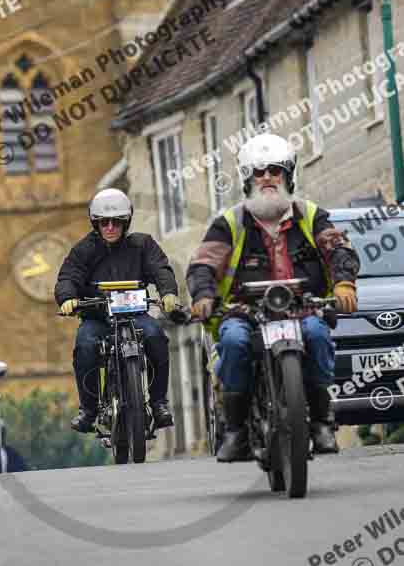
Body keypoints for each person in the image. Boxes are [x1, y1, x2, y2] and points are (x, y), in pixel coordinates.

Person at [187, 133, 360, 462]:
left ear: (290, 176)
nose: (267, 177)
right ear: (246, 179)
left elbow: (339, 249)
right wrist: (203, 295)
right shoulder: (229, 223)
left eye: (276, 170)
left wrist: (344, 284)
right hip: (243, 313)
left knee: (318, 334)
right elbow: (202, 265)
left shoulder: (311, 215)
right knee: (234, 343)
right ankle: (236, 431)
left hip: (303, 308)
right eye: (258, 171)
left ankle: (322, 422)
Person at [55, 188, 179, 433]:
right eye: (104, 222)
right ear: (96, 223)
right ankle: (88, 411)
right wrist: (68, 298)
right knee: (85, 345)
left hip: (136, 316)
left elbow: (161, 269)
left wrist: (168, 293)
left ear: (126, 222)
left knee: (156, 337)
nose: (110, 227)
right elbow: (68, 277)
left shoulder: (143, 245)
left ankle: (158, 404)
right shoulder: (83, 250)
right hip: (98, 318)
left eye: (116, 222)